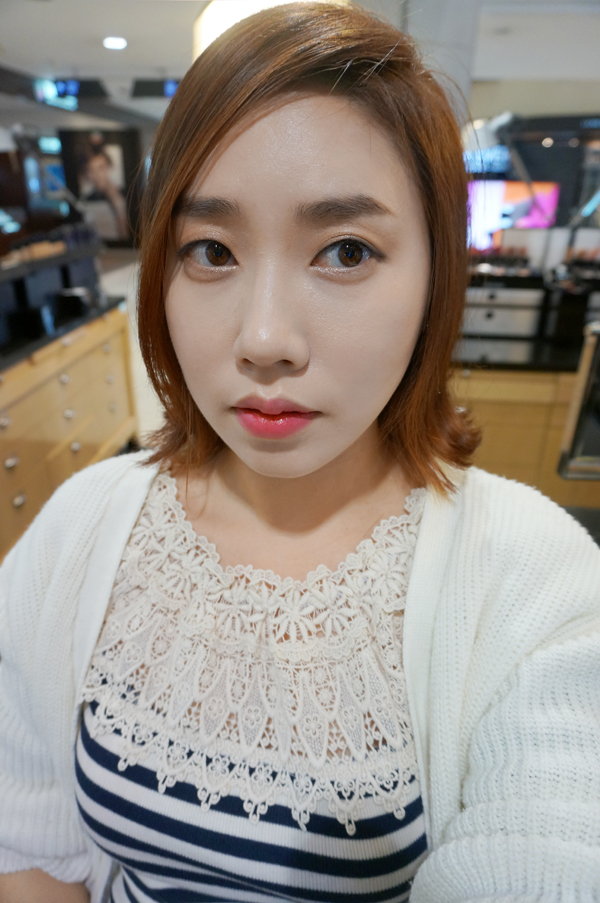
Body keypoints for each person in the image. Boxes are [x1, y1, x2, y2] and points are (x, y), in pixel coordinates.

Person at [1, 3, 599, 902]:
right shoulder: (80, 527)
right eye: (211, 250)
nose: (265, 339)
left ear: (437, 275)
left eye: (345, 251)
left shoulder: (535, 581)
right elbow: (29, 842)